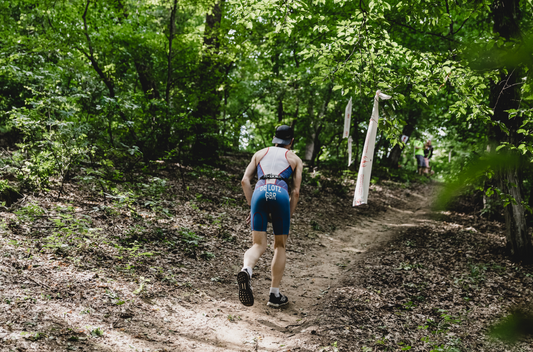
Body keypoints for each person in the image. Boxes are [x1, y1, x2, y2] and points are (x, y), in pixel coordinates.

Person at [238, 125, 303, 307]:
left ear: (274, 138)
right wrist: (287, 214)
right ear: (291, 141)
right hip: (281, 194)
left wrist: (252, 207)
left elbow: (245, 181)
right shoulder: (295, 159)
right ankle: (274, 295)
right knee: (279, 245)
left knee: (258, 244)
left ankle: (247, 270)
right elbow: (296, 192)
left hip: (259, 192)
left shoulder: (259, 153)